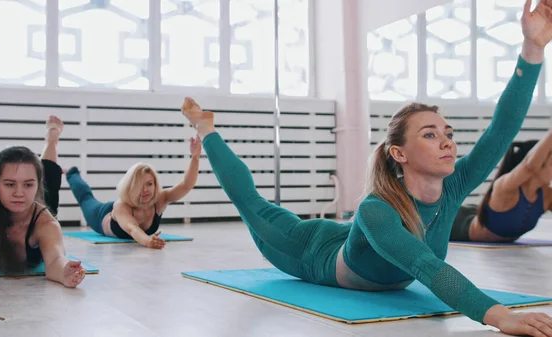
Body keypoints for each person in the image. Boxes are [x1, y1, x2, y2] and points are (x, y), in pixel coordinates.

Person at [178, 1, 552, 334]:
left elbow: (502, 128)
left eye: (447, 133)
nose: (447, 141)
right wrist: (499, 315)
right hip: (308, 250)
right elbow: (424, 265)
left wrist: (533, 47)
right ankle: (207, 127)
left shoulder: (453, 187)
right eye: (429, 134)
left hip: (351, 238)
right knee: (252, 205)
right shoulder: (377, 209)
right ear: (399, 154)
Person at [0, 115, 86, 288]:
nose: (19, 193)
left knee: (50, 177)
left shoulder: (45, 223)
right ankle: (51, 137)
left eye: (28, 185)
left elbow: (55, 260)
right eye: (9, 184)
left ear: (37, 185)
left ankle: (52, 137)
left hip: (35, 211)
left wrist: (64, 272)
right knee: (47, 180)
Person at [64, 136, 201, 249]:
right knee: (86, 198)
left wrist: (195, 158)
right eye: (140, 185)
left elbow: (186, 185)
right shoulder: (121, 205)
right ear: (132, 186)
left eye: (149, 184)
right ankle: (71, 173)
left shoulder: (160, 199)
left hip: (126, 208)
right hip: (101, 215)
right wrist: (148, 241)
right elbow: (132, 229)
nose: (146, 190)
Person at [450, 134, 552, 243]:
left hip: (474, 212)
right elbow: (529, 166)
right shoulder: (505, 188)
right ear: (538, 166)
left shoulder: (546, 195)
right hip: (454, 222)